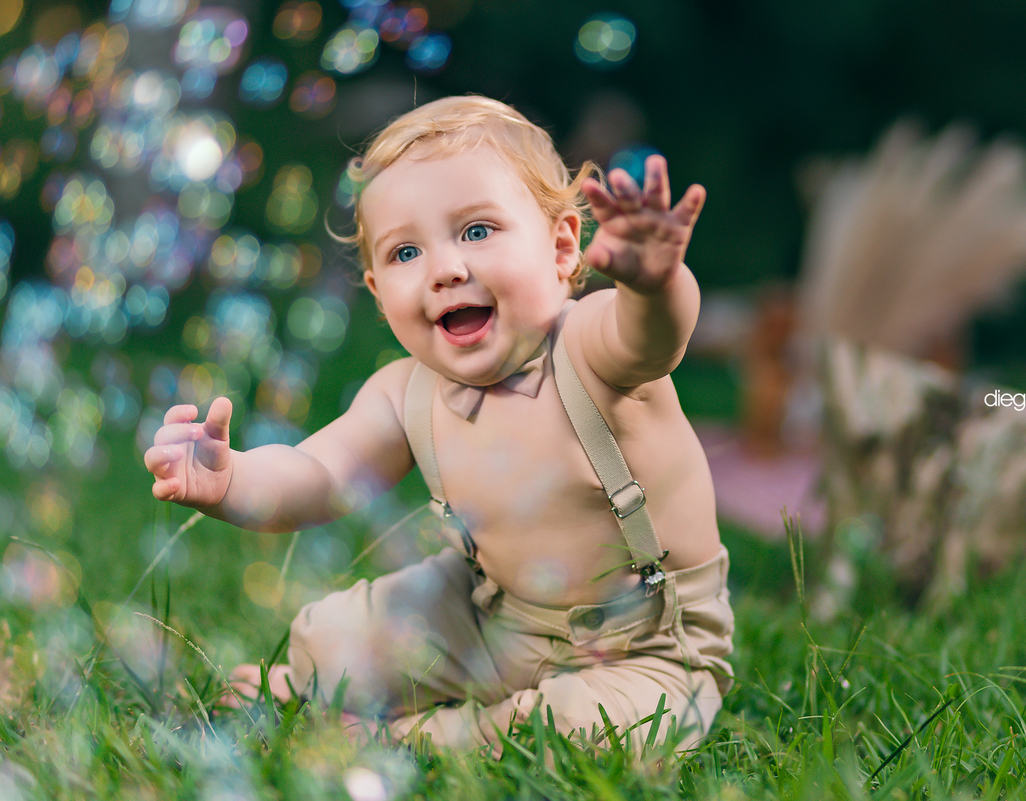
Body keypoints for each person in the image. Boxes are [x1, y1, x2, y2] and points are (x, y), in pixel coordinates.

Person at [143, 95, 733, 751]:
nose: (446, 269)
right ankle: (321, 684)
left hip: (645, 643)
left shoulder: (591, 346)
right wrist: (233, 480)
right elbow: (318, 473)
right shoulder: (405, 393)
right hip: (490, 615)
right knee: (330, 638)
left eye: (477, 231)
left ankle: (430, 735)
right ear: (377, 292)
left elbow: (655, 337)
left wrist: (655, 284)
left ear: (563, 247)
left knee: (585, 729)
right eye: (405, 253)